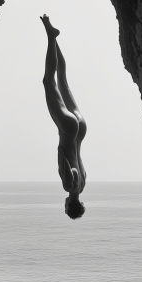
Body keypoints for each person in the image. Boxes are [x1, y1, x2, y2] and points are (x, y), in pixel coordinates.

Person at [41, 15, 87, 219]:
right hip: (68, 130)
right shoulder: (70, 185)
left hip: (81, 130)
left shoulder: (83, 185)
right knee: (48, 81)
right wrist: (60, 154)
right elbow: (65, 163)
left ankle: (54, 38)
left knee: (63, 80)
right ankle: (51, 36)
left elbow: (78, 167)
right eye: (66, 207)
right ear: (68, 206)